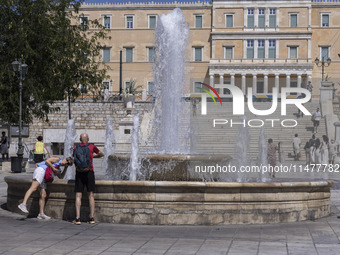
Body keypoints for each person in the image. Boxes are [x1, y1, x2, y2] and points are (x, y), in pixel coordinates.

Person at [72, 133, 104, 225]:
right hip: (89, 171)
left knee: (78, 195)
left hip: (79, 172)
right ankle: (91, 218)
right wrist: (92, 156)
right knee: (91, 195)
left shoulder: (76, 147)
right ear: (88, 139)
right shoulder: (92, 146)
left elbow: (75, 158)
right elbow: (101, 154)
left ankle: (78, 218)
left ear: (80, 139)